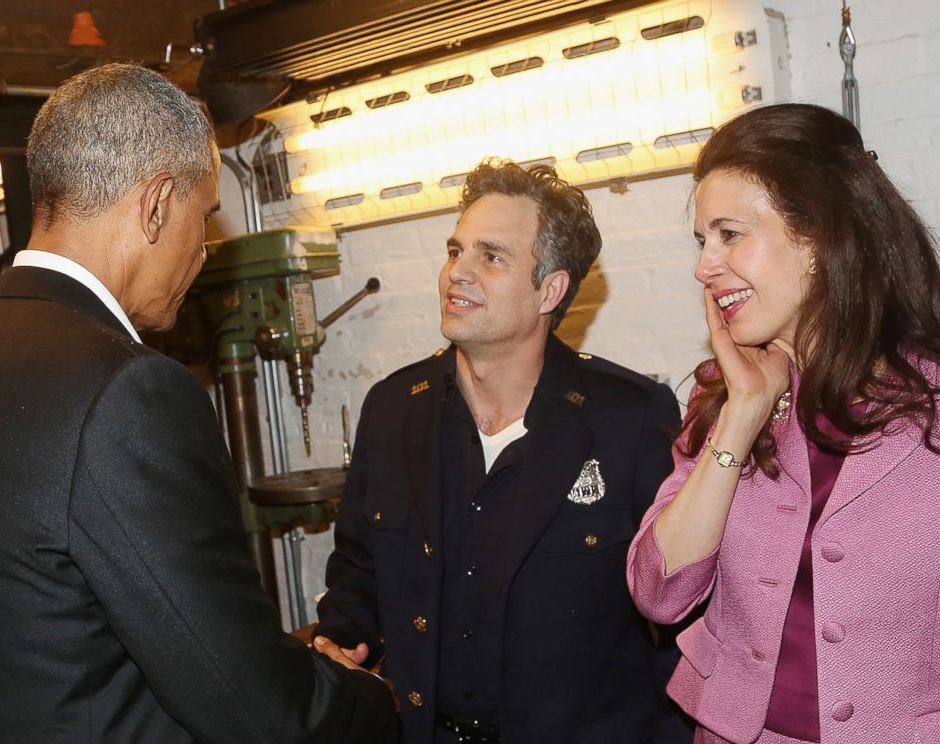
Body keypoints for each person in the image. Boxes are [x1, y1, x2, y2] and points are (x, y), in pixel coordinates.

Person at [0, 63, 396, 744]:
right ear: (157, 204)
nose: (202, 250)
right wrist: (372, 701)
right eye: (204, 215)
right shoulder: (126, 389)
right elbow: (252, 707)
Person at [313, 159, 691, 744]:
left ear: (551, 289)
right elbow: (358, 568)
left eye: (490, 257)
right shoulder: (392, 409)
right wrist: (341, 644)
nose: (456, 273)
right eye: (454, 250)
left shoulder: (630, 418)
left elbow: (678, 619)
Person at [626, 102, 940, 744]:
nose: (703, 266)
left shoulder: (932, 393)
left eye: (729, 233)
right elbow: (659, 592)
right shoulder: (722, 397)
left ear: (819, 237)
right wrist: (740, 418)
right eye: (701, 240)